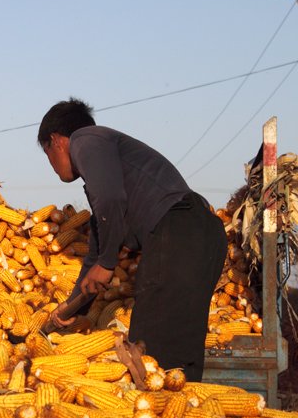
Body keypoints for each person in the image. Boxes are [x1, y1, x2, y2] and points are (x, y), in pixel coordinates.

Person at [38, 98, 226, 381]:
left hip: (178, 232)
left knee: (150, 355)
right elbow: (96, 254)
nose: (52, 166)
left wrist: (107, 262)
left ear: (56, 141)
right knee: (178, 358)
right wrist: (73, 307)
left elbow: (109, 204)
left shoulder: (85, 139)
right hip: (201, 236)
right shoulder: (109, 170)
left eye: (47, 154)